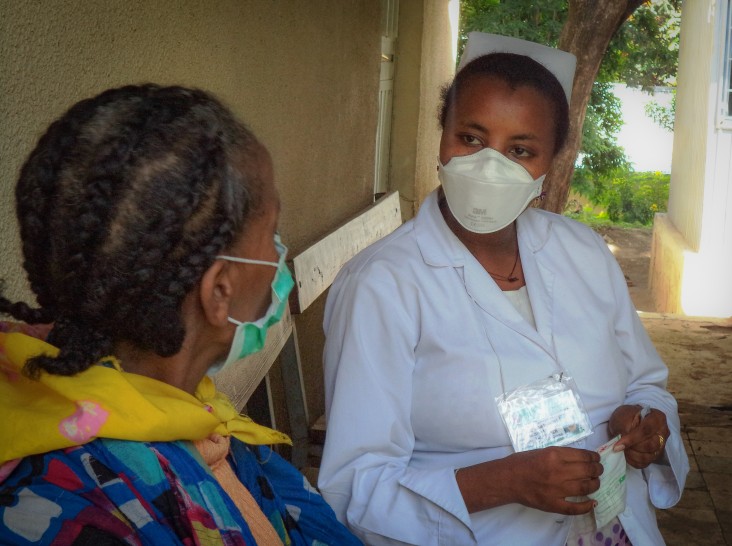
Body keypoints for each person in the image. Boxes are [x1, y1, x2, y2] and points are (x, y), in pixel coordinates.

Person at [318, 33, 689, 546]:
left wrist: (646, 421)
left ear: (552, 160)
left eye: (520, 150)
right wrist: (502, 482)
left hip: (614, 525)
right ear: (442, 136)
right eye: (470, 138)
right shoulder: (382, 285)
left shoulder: (582, 252)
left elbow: (647, 383)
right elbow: (354, 487)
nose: (489, 166)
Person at [0, 84, 360, 545]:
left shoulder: (184, 415)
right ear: (219, 292)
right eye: (271, 233)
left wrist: (222, 476)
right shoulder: (76, 515)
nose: (278, 254)